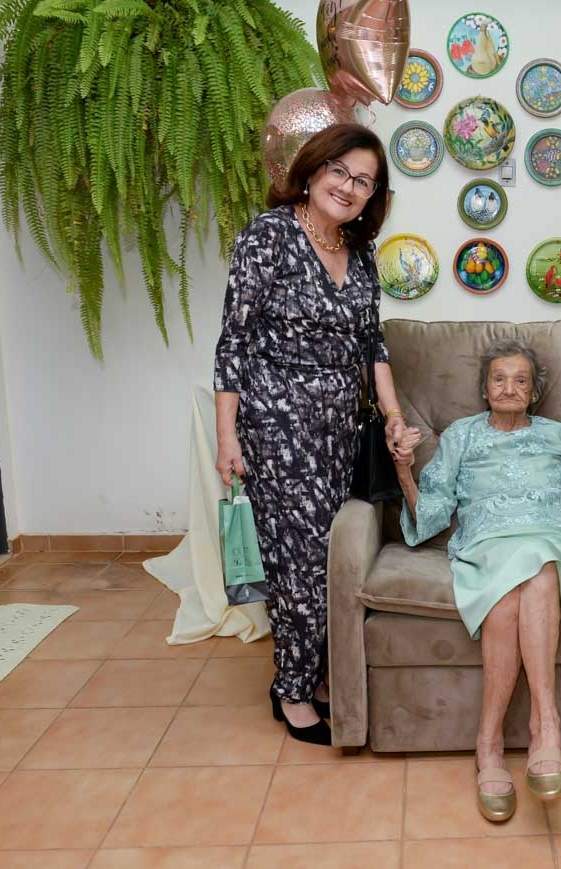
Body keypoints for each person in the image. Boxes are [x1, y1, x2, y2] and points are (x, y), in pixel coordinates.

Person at [213, 124, 406, 745]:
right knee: (298, 566)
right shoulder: (268, 236)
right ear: (315, 169)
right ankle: (292, 691)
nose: (349, 187)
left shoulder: (361, 251)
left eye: (364, 181)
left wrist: (393, 416)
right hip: (277, 427)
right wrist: (227, 437)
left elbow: (372, 345)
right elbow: (234, 341)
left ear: (373, 196)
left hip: (340, 434)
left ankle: (314, 674)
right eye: (340, 171)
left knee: (331, 560)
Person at [390, 339, 561, 822]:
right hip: (488, 543)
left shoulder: (560, 435)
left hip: (548, 538)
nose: (509, 388)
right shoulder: (460, 436)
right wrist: (404, 470)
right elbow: (431, 515)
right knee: (520, 584)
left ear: (534, 392)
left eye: (521, 380)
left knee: (539, 565)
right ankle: (519, 735)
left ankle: (518, 734)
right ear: (484, 388)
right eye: (499, 379)